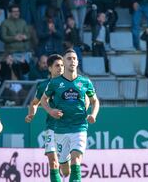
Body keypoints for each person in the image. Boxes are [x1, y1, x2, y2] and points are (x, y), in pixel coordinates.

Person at [41, 49, 100, 182]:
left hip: (79, 126)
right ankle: (64, 161)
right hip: (60, 128)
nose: (72, 61)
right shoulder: (55, 83)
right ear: (64, 62)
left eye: (74, 58)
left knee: (76, 159)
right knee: (65, 169)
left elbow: (95, 100)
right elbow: (43, 100)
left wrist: (93, 114)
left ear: (78, 62)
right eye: (69, 58)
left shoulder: (85, 82)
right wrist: (50, 111)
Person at [25, 54, 64, 182]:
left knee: (65, 168)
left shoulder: (70, 83)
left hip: (68, 127)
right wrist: (31, 114)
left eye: (62, 66)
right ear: (49, 68)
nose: (60, 68)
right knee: (53, 161)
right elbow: (34, 103)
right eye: (57, 66)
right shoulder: (43, 85)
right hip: (51, 127)